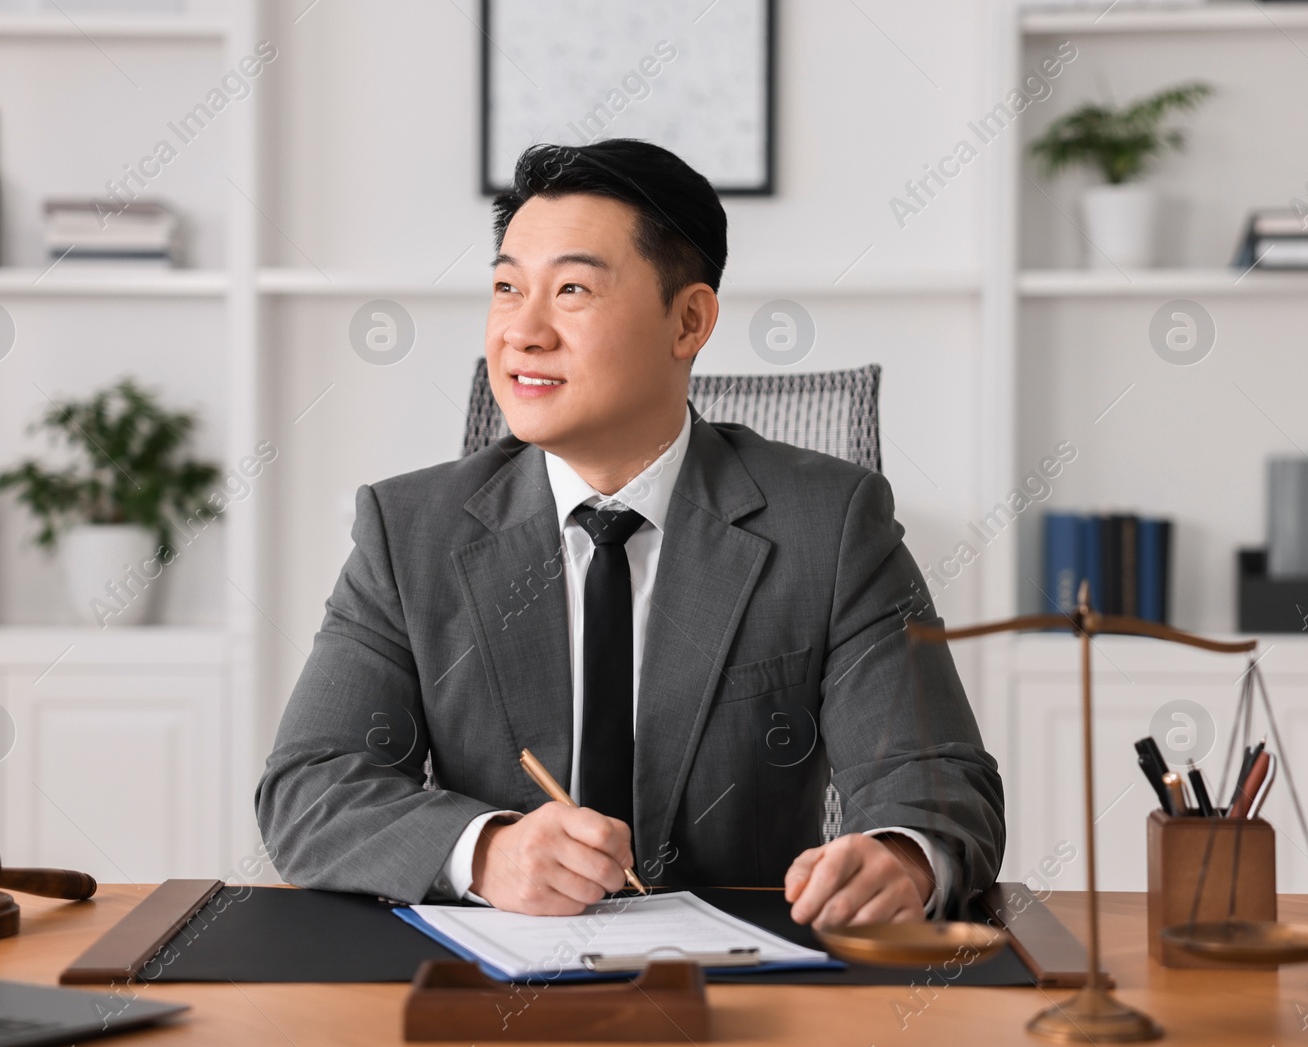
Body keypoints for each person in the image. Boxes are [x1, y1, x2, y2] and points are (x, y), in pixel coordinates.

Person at [256, 139, 1004, 928]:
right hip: (484, 998)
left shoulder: (832, 522)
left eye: (572, 288)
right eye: (508, 288)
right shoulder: (408, 532)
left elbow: (936, 777)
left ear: (689, 320)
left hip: (749, 996)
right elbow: (310, 787)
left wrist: (903, 857)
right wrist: (484, 852)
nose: (523, 331)